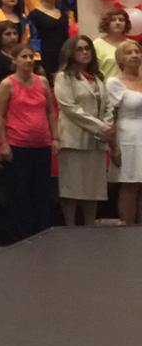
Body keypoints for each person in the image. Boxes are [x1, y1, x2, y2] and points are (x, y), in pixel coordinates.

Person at [0, 42, 58, 239]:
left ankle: (42, 230)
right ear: (14, 60)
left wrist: (55, 137)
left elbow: (50, 111)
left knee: (42, 189)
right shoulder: (7, 84)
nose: (29, 60)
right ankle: (21, 233)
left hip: (42, 143)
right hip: (18, 143)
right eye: (24, 57)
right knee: (20, 190)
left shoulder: (42, 82)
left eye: (31, 57)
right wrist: (3, 143)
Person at [53, 35, 115, 226]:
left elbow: (108, 105)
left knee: (93, 188)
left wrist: (107, 124)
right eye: (79, 49)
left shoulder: (97, 77)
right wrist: (99, 126)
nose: (85, 52)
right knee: (72, 187)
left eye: (87, 48)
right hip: (74, 138)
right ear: (70, 52)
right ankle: (70, 227)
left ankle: (89, 226)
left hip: (96, 141)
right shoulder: (64, 77)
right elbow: (69, 107)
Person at [106, 40, 142, 225]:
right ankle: (128, 229)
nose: (135, 55)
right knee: (130, 184)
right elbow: (109, 116)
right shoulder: (114, 83)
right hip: (128, 136)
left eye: (137, 51)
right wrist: (113, 146)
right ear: (120, 59)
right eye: (129, 52)